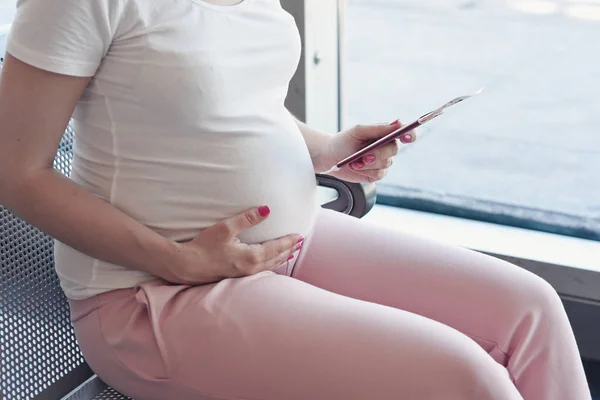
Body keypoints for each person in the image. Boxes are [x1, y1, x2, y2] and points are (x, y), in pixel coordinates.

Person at [0, 0, 591, 399]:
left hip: (290, 245)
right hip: (153, 297)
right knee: (466, 380)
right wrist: (176, 260)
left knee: (531, 310)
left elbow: (239, 106)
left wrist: (330, 147)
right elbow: (16, 173)